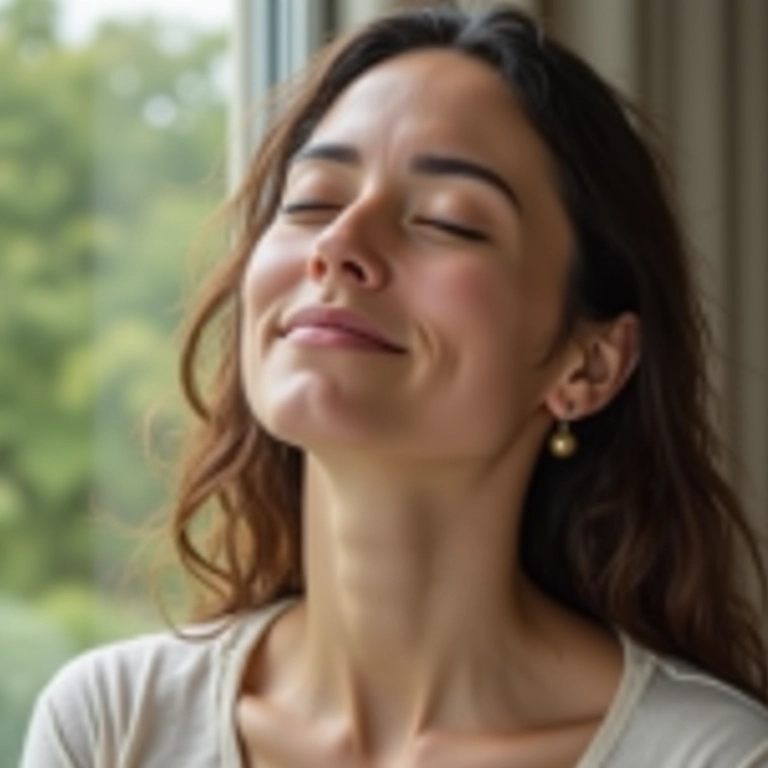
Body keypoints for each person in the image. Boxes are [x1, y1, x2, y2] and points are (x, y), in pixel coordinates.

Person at [21, 5, 768, 767]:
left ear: (590, 365)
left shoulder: (715, 757)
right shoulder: (113, 725)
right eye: (310, 201)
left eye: (448, 222)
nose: (338, 245)